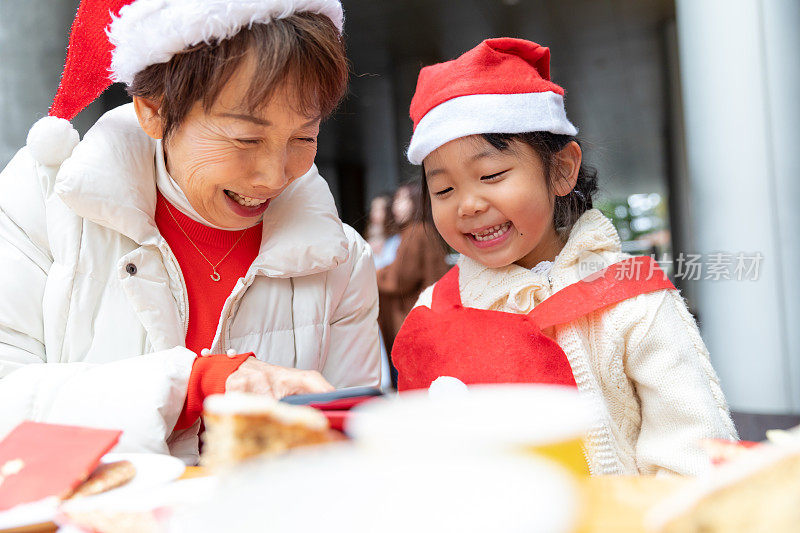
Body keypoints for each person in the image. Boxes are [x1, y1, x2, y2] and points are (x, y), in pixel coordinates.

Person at [0, 0, 379, 463]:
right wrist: (192, 385)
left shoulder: (342, 260)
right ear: (153, 112)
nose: (274, 176)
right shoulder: (41, 209)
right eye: (246, 138)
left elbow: (352, 448)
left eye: (304, 137)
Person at [391, 38, 736, 475]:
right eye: (443, 190)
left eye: (491, 175)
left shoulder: (631, 301)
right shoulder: (434, 312)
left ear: (561, 171)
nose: (468, 204)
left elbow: (693, 450)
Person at [376, 183, 449, 359]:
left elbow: (400, 278)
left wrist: (374, 273)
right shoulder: (424, 230)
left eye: (403, 199)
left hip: (416, 318)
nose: (396, 206)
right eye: (396, 200)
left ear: (416, 201)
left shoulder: (415, 233)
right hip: (430, 316)